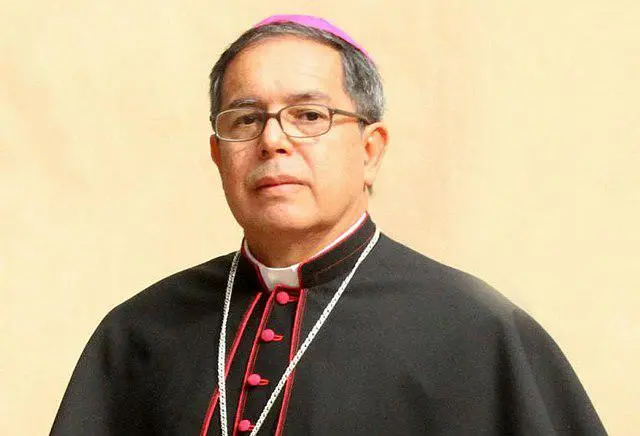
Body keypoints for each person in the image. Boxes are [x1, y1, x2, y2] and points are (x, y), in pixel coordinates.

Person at [51, 14, 607, 436]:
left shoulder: (478, 332)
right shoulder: (139, 333)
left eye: (309, 116)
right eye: (245, 120)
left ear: (369, 150)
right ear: (219, 157)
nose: (272, 140)